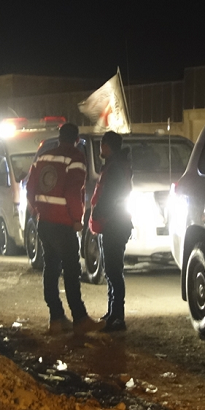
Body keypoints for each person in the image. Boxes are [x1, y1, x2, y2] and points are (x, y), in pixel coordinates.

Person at [25, 122, 91, 331]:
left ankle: (56, 317)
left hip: (44, 222)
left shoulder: (43, 156)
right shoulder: (76, 157)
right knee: (72, 270)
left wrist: (37, 209)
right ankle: (80, 318)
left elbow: (30, 187)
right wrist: (77, 219)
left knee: (50, 269)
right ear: (76, 139)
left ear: (59, 137)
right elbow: (73, 192)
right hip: (64, 223)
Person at [89, 131, 133, 332]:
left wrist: (97, 214)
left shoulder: (114, 167)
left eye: (102, 144)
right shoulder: (115, 165)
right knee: (110, 269)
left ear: (108, 146)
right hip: (114, 223)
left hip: (114, 224)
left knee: (114, 270)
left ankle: (118, 317)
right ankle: (112, 312)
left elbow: (109, 196)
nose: (100, 148)